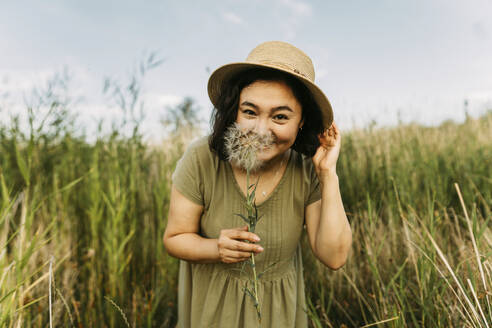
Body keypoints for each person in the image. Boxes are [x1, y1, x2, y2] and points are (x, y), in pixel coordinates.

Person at [163, 41, 352, 328]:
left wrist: (328, 174)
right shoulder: (203, 158)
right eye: (250, 112)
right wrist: (216, 249)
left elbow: (334, 256)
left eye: (280, 117)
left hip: (279, 315)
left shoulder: (306, 169)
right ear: (234, 111)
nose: (261, 130)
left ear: (302, 122)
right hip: (213, 313)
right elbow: (175, 238)